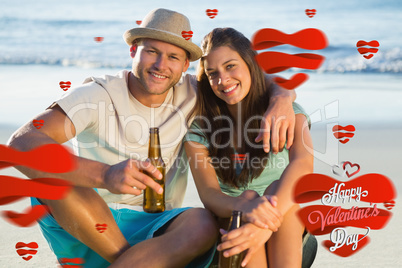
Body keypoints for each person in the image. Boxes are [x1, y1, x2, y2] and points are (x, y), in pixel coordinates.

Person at [7, 9, 295, 268]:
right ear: (133, 51)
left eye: (173, 57)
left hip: (159, 235)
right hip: (88, 224)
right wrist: (105, 175)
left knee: (202, 222)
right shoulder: (96, 95)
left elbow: (244, 74)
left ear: (185, 67)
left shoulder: (194, 94)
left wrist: (282, 96)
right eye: (151, 51)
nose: (161, 65)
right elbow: (21, 143)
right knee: (51, 177)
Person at [184, 28, 314, 267]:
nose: (222, 80)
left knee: (278, 190)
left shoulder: (285, 113)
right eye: (212, 73)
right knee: (248, 200)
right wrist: (248, 207)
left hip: (288, 233)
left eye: (230, 66)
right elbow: (210, 195)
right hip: (230, 231)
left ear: (251, 64)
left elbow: (303, 165)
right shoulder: (200, 129)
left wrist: (262, 226)